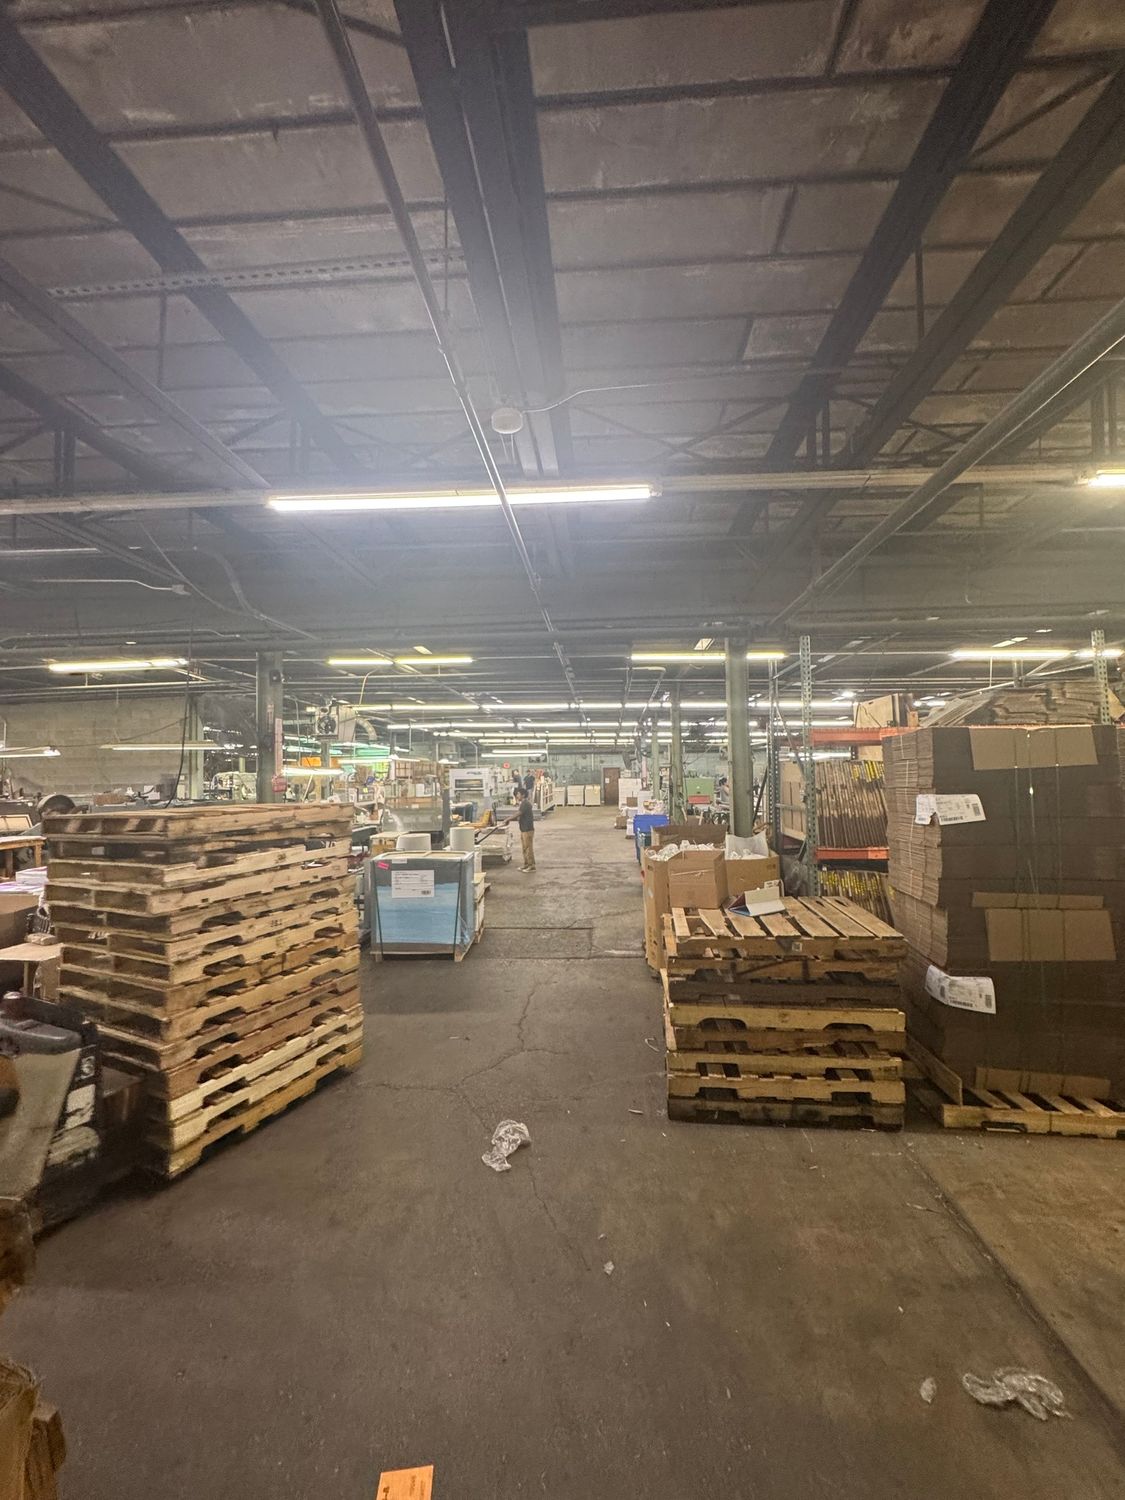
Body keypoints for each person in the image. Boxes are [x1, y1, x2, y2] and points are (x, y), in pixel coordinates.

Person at [517, 792, 536, 872]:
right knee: (524, 848)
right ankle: (526, 864)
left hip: (527, 829)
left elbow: (518, 813)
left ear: (523, 795)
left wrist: (507, 819)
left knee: (528, 848)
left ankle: (532, 866)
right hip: (523, 829)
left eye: (518, 794)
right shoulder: (522, 803)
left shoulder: (525, 804)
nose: (517, 796)